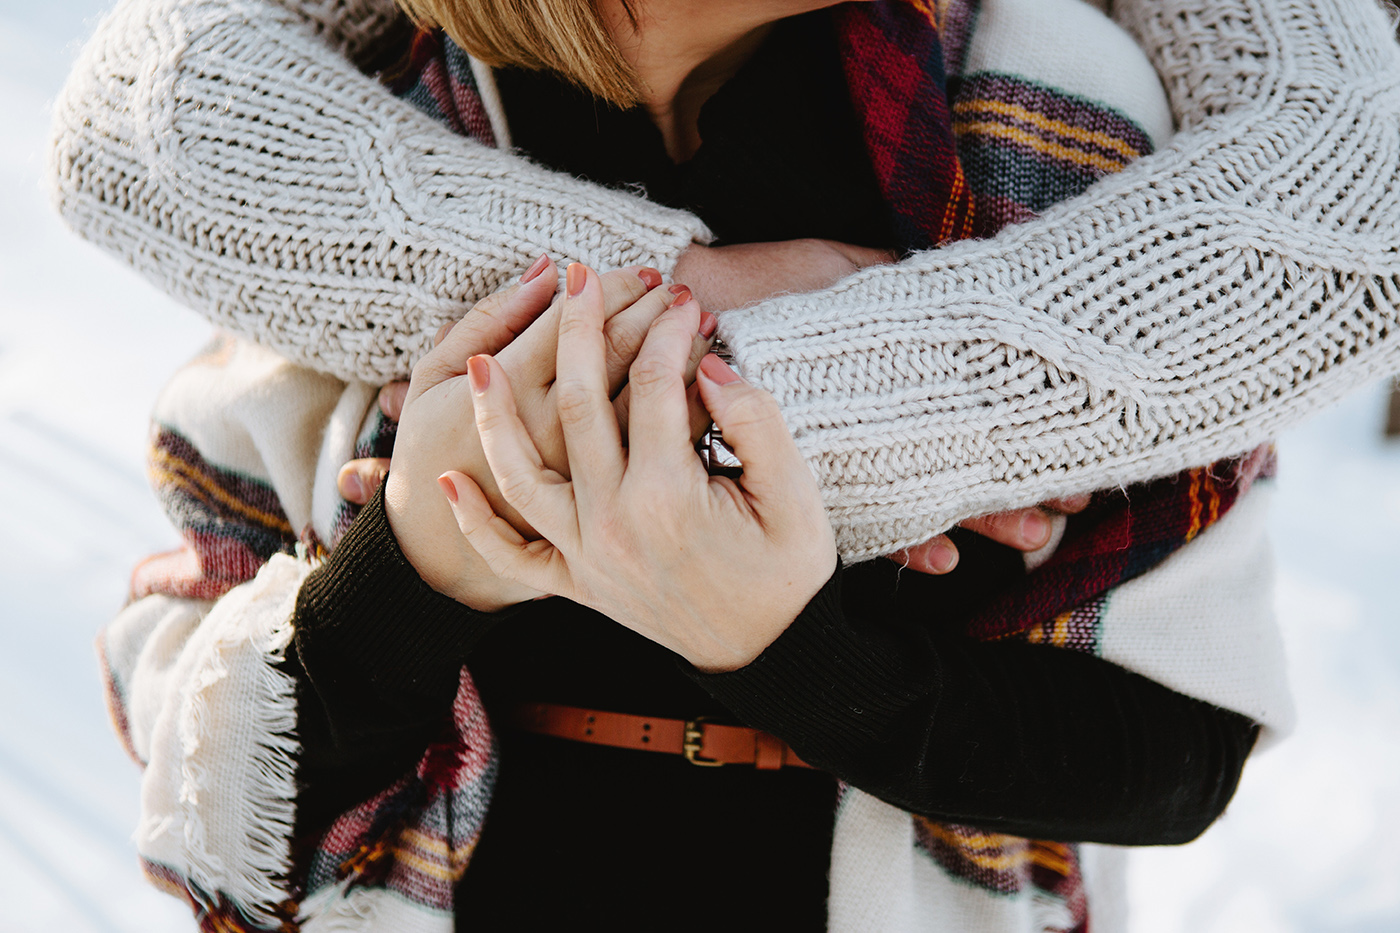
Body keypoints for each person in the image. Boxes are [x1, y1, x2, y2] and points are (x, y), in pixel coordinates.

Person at [66, 0, 1388, 929]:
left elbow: (1175, 745)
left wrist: (793, 652)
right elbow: (212, 772)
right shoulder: (376, 129)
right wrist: (417, 560)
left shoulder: (1047, 126)